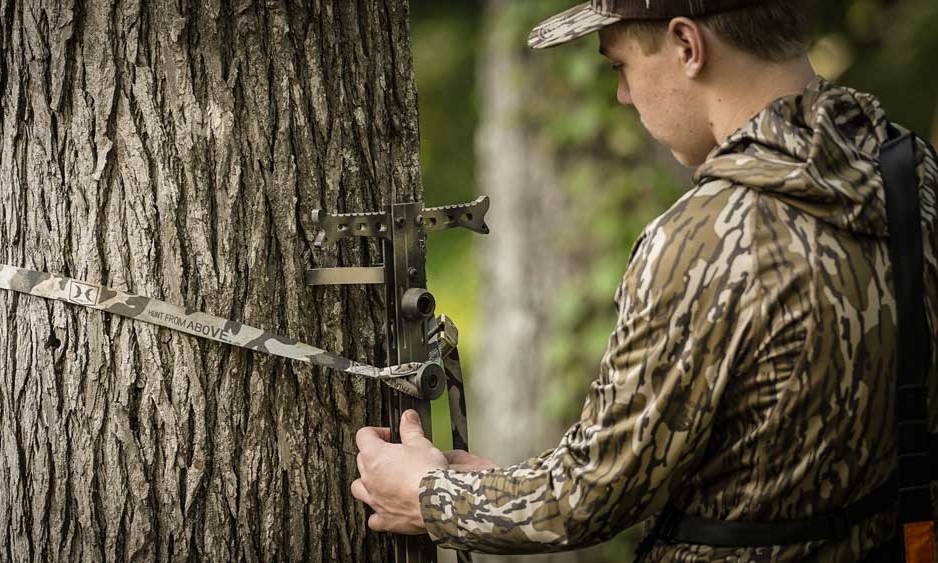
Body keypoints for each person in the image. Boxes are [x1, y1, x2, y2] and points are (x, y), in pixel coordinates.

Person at [351, 0, 938, 560]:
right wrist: (504, 486)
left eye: (622, 65)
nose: (623, 95)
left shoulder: (706, 240)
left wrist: (428, 494)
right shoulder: (912, 175)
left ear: (687, 45)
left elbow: (587, 498)